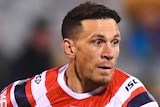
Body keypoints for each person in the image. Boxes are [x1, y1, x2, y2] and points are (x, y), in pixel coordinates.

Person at [0, 1, 159, 107]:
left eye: (114, 42)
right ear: (70, 49)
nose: (109, 53)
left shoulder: (130, 97)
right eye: (98, 42)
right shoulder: (32, 93)